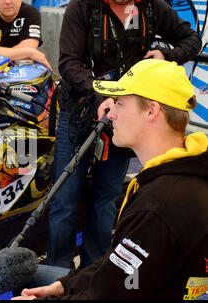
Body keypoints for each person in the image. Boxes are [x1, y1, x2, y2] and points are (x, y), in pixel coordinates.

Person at [13, 59, 208, 300]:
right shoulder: (184, 169)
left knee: (20, 276)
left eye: (119, 103)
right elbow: (115, 267)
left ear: (151, 110)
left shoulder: (158, 206)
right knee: (25, 273)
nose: (110, 114)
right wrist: (66, 284)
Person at [47, 0, 202, 269]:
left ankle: (94, 273)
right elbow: (69, 63)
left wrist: (168, 55)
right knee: (64, 198)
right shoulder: (81, 7)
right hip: (79, 112)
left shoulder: (153, 6)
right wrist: (100, 97)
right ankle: (57, 275)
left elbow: (192, 39)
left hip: (125, 117)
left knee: (106, 199)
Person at [0, 0, 52, 70]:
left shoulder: (31, 13)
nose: (8, 2)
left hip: (23, 69)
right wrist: (28, 53)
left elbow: (30, 47)